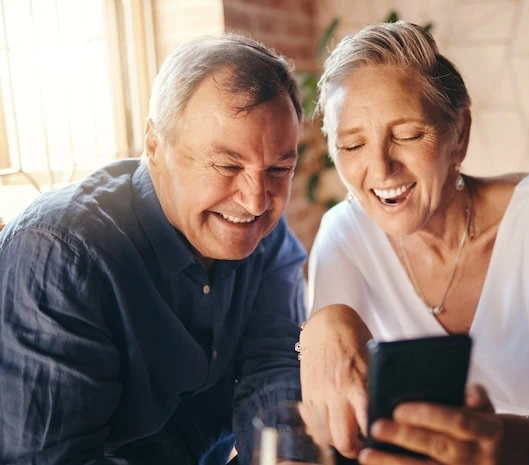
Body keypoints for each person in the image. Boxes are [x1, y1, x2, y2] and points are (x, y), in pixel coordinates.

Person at [300, 21, 529, 465]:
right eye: (353, 144)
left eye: (408, 135)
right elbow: (336, 436)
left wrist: (512, 441)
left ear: (459, 133)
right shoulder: (342, 235)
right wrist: (321, 325)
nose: (380, 169)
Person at [0, 34, 305, 465]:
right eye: (226, 165)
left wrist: (286, 453)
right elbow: (50, 458)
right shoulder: (60, 253)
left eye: (279, 169)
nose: (256, 201)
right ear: (154, 145)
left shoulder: (265, 236)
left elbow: (273, 365)